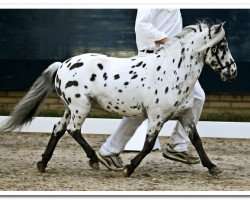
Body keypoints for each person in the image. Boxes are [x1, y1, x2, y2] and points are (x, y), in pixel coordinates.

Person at [96, 9, 205, 171]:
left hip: (172, 59)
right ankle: (109, 151)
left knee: (197, 96)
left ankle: (178, 146)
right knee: (137, 113)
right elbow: (141, 25)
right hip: (154, 59)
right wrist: (168, 40)